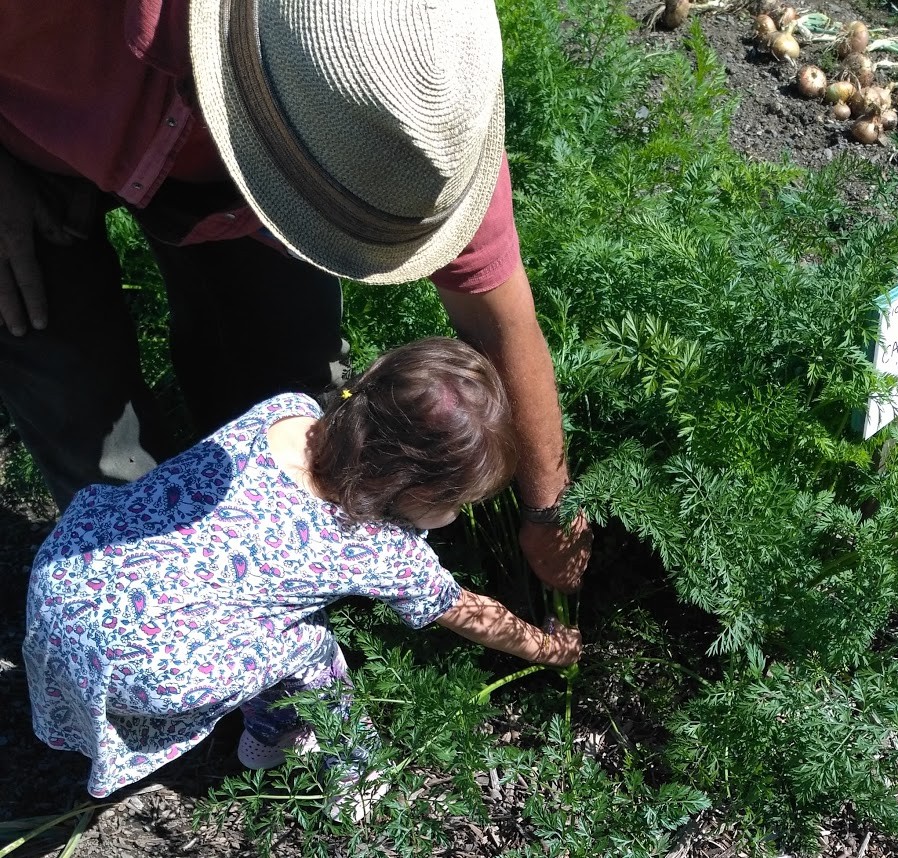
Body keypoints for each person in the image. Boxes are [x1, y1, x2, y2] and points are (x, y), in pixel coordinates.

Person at [0, 0, 591, 593]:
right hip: (21, 137)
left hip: (212, 174)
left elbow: (502, 326)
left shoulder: (421, 129)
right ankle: (148, 610)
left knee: (288, 382)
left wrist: (547, 513)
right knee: (89, 426)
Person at [22, 337, 583, 802]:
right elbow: (468, 614)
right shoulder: (380, 551)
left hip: (69, 571)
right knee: (312, 651)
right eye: (454, 502)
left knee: (242, 614)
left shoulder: (285, 412)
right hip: (147, 658)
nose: (456, 516)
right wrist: (546, 647)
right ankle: (318, 758)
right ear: (404, 486)